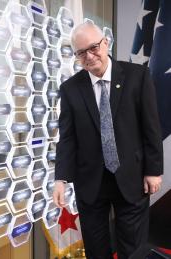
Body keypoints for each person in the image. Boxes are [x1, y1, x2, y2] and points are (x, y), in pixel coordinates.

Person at [53, 22, 163, 259]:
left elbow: (151, 127)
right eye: (81, 53)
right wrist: (60, 179)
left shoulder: (137, 76)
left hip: (132, 178)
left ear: (106, 43)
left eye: (93, 48)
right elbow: (67, 138)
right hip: (91, 183)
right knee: (96, 250)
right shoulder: (70, 89)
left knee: (132, 250)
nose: (89, 57)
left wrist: (153, 170)